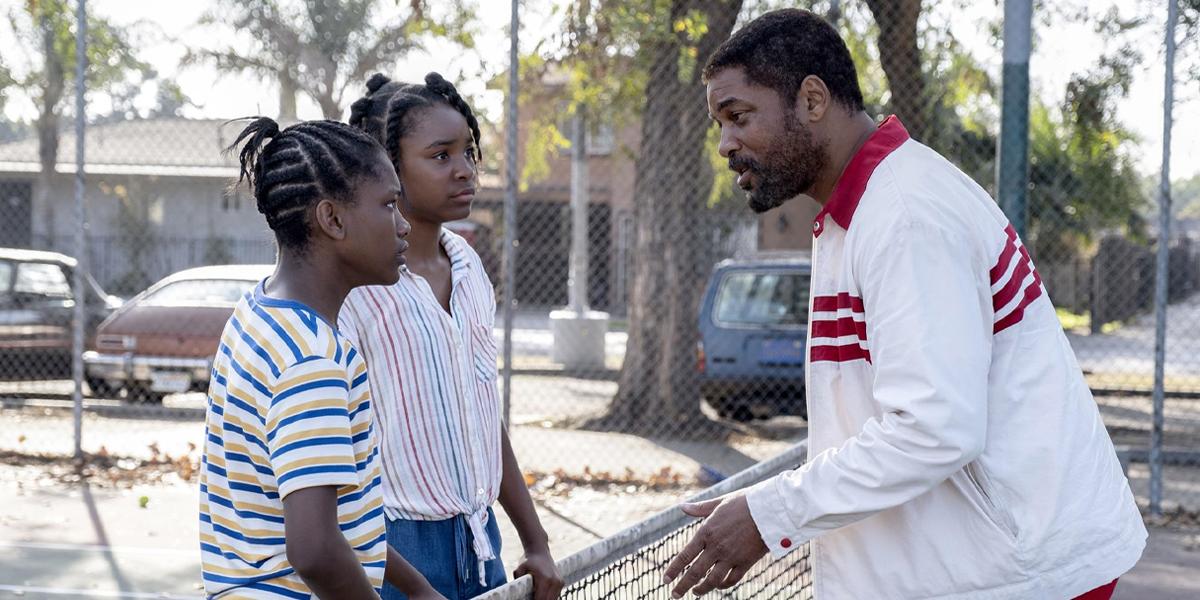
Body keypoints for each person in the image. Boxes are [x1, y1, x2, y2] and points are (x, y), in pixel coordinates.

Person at [664, 9, 1146, 600]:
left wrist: (771, 513)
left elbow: (933, 428)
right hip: (985, 568)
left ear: (812, 100)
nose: (725, 145)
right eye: (719, 124)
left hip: (1023, 573)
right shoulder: (861, 212)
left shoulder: (906, 214)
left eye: (738, 117)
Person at [199, 117, 444, 599]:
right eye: (388, 204)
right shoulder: (312, 359)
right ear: (332, 219)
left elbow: (345, 519)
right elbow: (313, 549)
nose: (403, 225)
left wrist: (416, 588)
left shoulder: (258, 312)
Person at [340, 73, 563, 600]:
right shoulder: (356, 286)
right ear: (388, 167)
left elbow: (481, 414)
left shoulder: (467, 265)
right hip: (391, 548)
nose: (464, 169)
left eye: (468, 152)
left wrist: (535, 539)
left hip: (478, 538)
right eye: (441, 155)